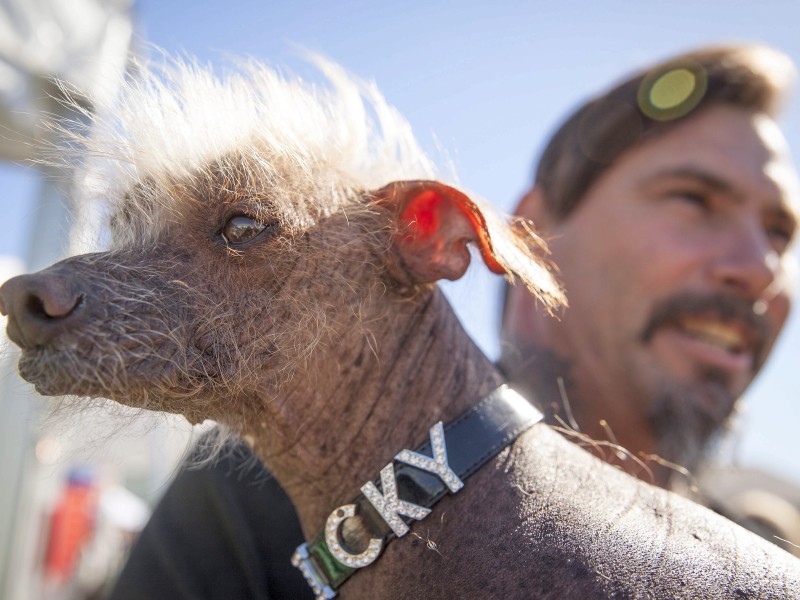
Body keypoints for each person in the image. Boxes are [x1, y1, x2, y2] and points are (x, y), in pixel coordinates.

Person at [108, 43, 799, 599]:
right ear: (533, 230)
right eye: (693, 198)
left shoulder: (766, 554)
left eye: (780, 230)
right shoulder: (274, 493)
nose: (759, 266)